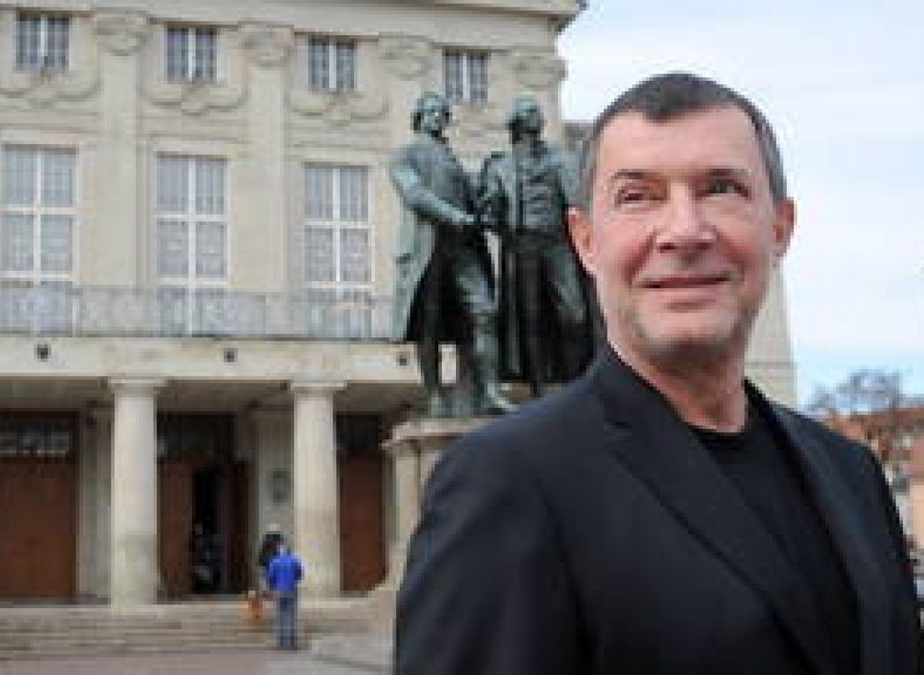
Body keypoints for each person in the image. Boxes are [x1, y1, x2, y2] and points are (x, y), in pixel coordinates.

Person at [395, 73, 921, 674]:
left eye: (721, 188)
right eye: (637, 196)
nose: (684, 232)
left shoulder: (851, 473)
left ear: (780, 228)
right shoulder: (506, 482)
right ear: (586, 242)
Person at [389, 91, 514, 417]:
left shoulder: (454, 161)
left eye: (442, 112)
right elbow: (415, 196)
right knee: (427, 325)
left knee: (484, 313)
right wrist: (457, 217)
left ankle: (489, 391)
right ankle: (434, 395)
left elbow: (473, 201)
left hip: (462, 248)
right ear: (418, 117)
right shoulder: (406, 154)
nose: (437, 117)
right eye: (430, 112)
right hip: (426, 248)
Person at [478, 94, 596, 396]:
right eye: (530, 112)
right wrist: (489, 213)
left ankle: (576, 379)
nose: (538, 116)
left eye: (538, 112)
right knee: (530, 319)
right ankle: (539, 387)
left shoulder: (559, 158)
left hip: (557, 243)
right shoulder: (499, 165)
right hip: (520, 246)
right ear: (517, 121)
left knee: (575, 313)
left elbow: (577, 199)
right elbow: (490, 208)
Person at [266, 543, 303, 650]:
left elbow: (271, 577)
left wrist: (272, 587)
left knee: (280, 617)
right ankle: (291, 643)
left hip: (279, 590)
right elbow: (299, 574)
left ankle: (281, 643)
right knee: (291, 616)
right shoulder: (294, 560)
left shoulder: (275, 561)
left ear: (280, 551)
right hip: (291, 589)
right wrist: (293, 581)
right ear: (289, 551)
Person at [255, 523, 284, 592]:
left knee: (268, 578)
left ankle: (269, 591)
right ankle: (271, 591)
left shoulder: (267, 539)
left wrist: (260, 562)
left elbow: (262, 552)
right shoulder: (278, 540)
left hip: (270, 562)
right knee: (271, 578)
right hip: (273, 562)